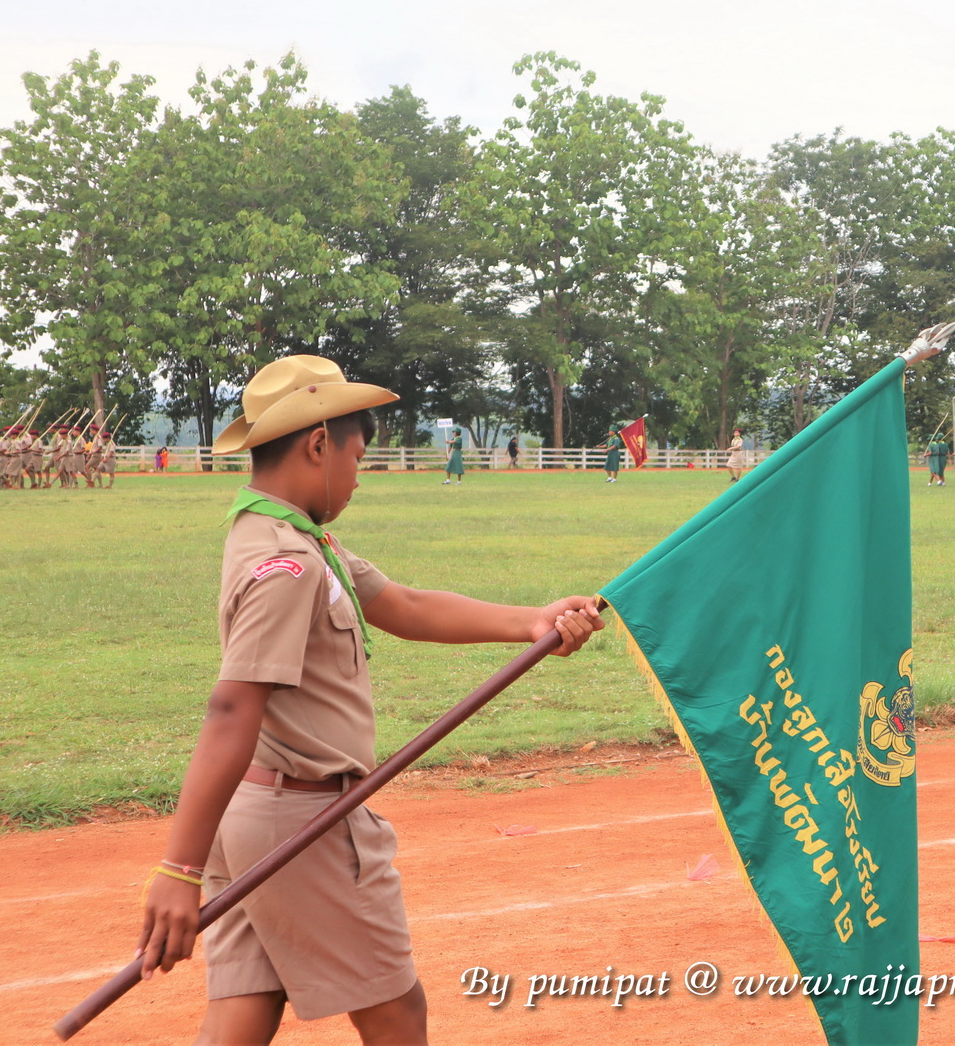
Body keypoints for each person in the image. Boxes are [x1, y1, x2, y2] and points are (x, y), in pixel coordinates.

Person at [135, 354, 604, 1044]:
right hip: (303, 822)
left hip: (257, 815)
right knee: (396, 1012)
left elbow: (403, 604)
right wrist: (177, 869)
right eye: (357, 457)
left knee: (244, 1012)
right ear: (318, 444)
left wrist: (533, 621)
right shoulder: (289, 564)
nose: (359, 476)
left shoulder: (287, 537)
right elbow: (232, 708)